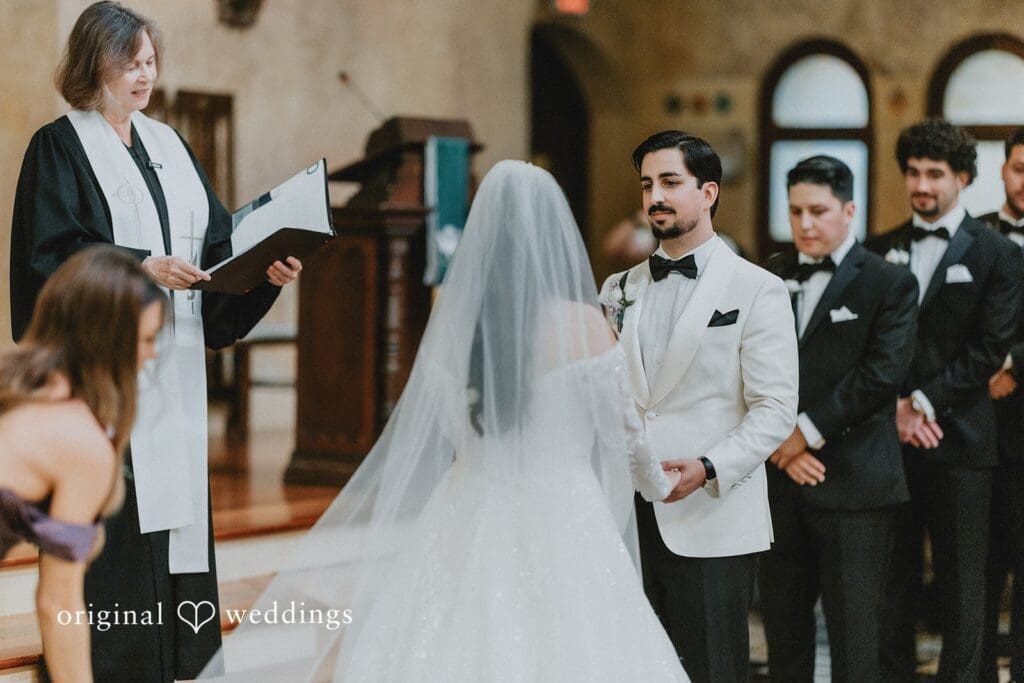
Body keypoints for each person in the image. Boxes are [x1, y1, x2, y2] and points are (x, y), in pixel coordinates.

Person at [198, 160, 689, 681]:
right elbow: (623, 434)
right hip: (562, 510)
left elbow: (444, 428)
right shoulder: (584, 325)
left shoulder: (458, 329)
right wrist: (660, 483)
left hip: (469, 506)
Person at [9, 3, 301, 680]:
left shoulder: (170, 147)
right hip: (106, 392)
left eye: (150, 62)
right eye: (129, 62)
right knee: (120, 563)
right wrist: (137, 267)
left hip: (175, 390)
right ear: (92, 65)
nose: (144, 76)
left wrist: (267, 272)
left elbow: (220, 256)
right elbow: (42, 267)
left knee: (178, 558)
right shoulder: (59, 148)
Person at [602, 130, 799, 683]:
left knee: (714, 670)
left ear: (708, 191)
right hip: (629, 518)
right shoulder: (618, 289)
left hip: (712, 515)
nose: (655, 198)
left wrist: (710, 468)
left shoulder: (758, 289)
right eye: (647, 185)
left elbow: (776, 408)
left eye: (670, 182)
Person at [865, 118, 1022, 682]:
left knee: (963, 593)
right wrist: (896, 410)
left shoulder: (997, 254)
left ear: (963, 177)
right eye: (913, 173)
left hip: (963, 445)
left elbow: (988, 349)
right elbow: (872, 347)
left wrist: (923, 403)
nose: (922, 186)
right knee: (891, 588)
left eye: (935, 174)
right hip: (889, 446)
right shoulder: (880, 251)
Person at [760, 155, 918, 682]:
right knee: (783, 640)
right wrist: (781, 448)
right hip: (779, 485)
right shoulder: (769, 276)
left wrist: (801, 435)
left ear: (850, 210)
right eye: (796, 210)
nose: (805, 223)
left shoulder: (889, 282)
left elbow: (880, 376)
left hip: (854, 486)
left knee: (856, 646)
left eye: (819, 211)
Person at [0, 246, 165, 682]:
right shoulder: (81, 441)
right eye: (147, 340)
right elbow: (57, 604)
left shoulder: (18, 382)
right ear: (108, 338)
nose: (152, 356)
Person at [978, 126, 1024, 683]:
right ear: (1002, 170)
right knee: (979, 569)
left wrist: (1013, 366)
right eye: (1018, 167)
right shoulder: (978, 237)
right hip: (978, 425)